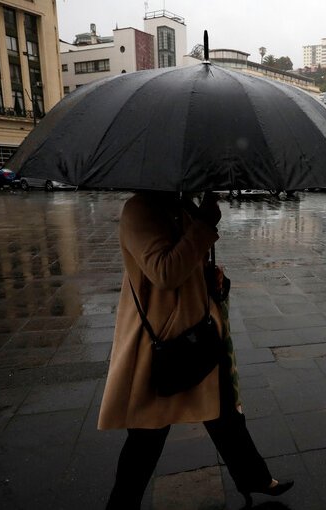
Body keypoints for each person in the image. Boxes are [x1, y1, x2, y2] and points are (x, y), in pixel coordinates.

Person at [98, 191, 292, 509]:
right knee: (146, 436)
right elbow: (164, 273)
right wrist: (202, 225)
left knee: (225, 414)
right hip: (161, 342)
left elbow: (190, 267)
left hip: (198, 331)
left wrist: (215, 280)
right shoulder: (139, 210)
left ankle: (255, 478)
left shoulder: (181, 205)